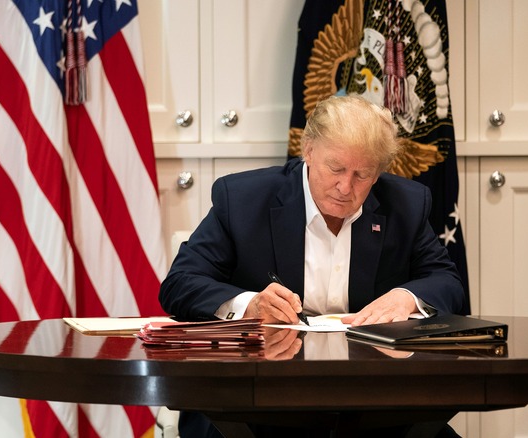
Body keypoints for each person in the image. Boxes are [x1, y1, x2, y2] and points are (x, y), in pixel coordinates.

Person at [159, 95, 465, 437]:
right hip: (261, 400)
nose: (345, 187)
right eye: (335, 168)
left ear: (379, 173)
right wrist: (250, 304)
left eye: (362, 175)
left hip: (374, 400)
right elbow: (180, 284)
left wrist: (407, 297)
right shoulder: (243, 199)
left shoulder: (406, 204)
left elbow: (447, 281)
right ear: (308, 150)